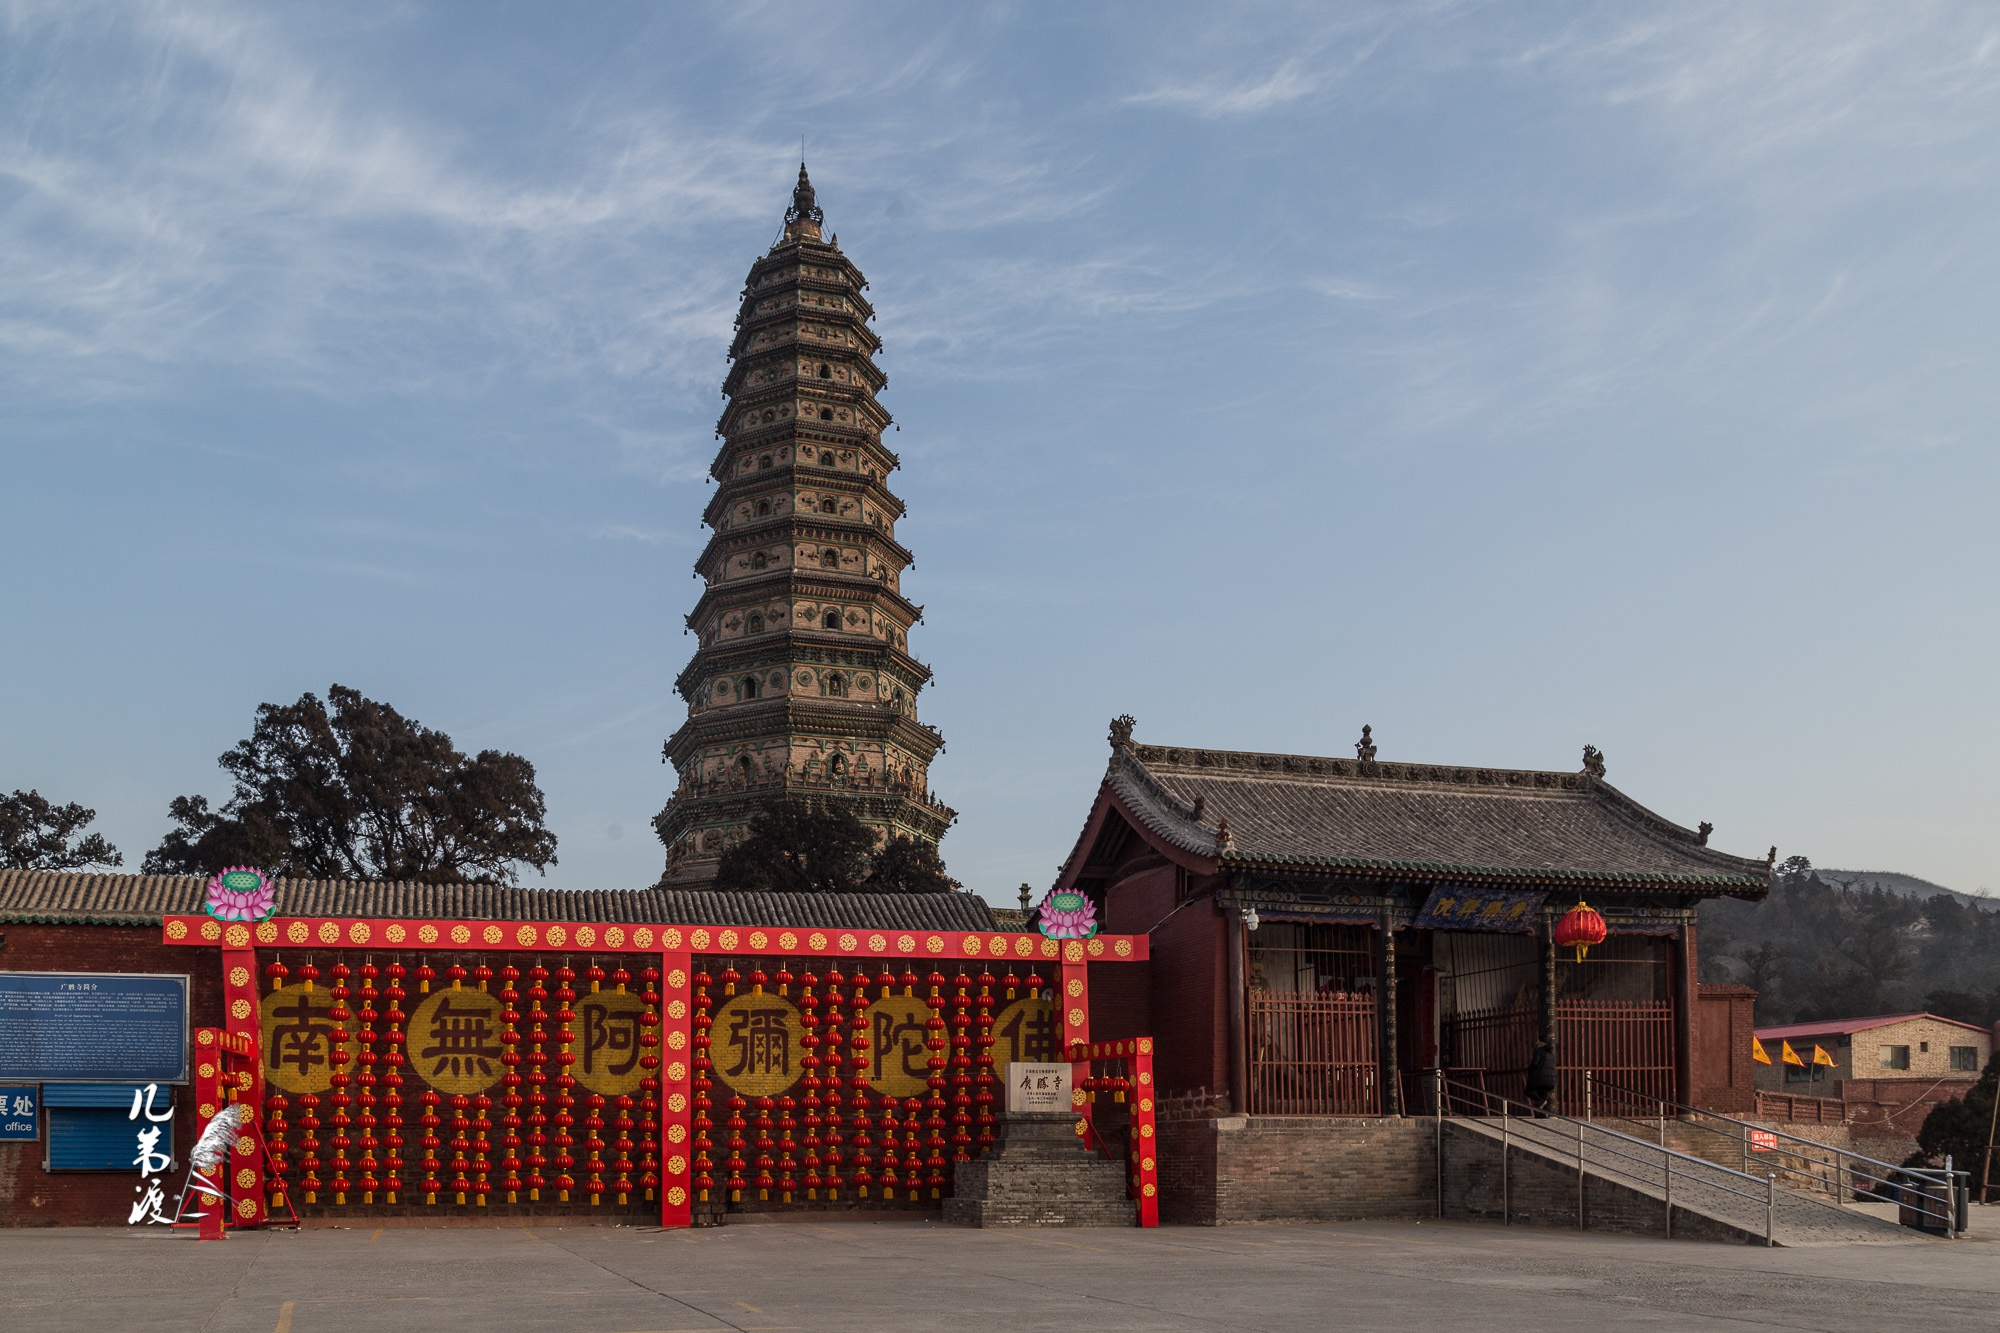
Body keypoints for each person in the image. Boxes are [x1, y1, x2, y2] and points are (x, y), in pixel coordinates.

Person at [1525, 1042, 1557, 1117]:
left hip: (1540, 1077)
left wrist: (1530, 1070)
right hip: (1551, 1079)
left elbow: (1535, 1063)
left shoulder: (1539, 1051)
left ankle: (1541, 1102)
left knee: (1528, 1091)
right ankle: (1542, 1114)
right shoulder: (1551, 1053)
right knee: (1542, 1094)